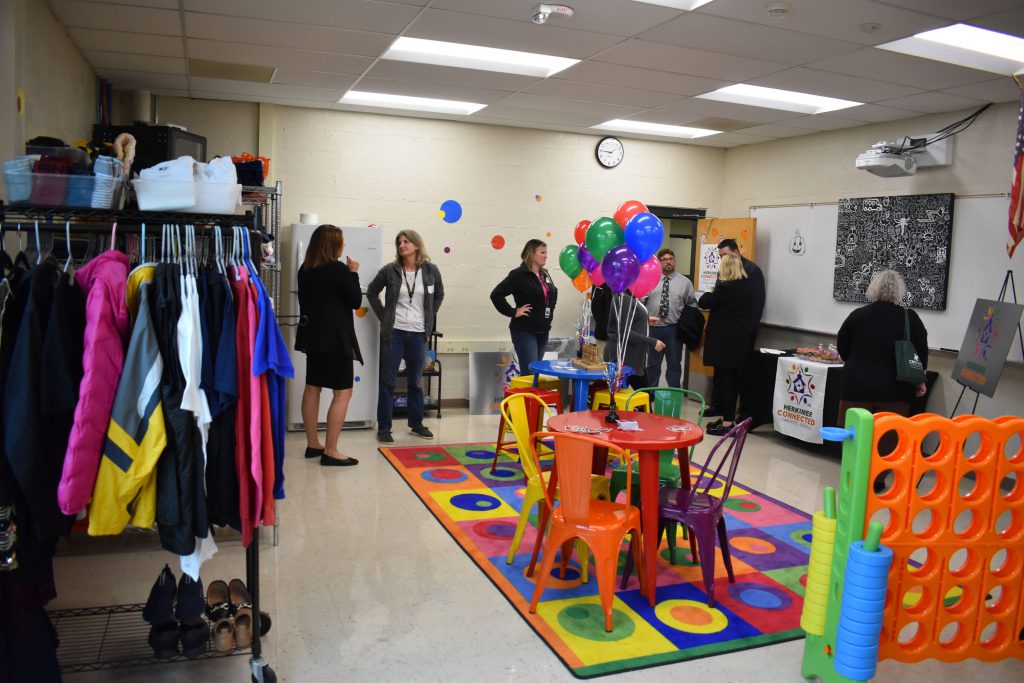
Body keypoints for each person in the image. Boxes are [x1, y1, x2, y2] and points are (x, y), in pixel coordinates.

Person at [367, 230, 445, 444]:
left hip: (419, 333)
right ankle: (384, 427)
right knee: (388, 381)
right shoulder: (390, 271)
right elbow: (372, 292)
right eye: (399, 242)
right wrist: (384, 317)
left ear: (417, 245)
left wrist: (429, 315)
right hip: (395, 333)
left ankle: (417, 424)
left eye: (406, 241)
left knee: (416, 381)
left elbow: (439, 295)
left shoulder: (431, 270)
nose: (402, 245)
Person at [295, 225, 363, 467]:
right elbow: (356, 300)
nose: (344, 245)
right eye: (341, 242)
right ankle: (331, 450)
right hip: (336, 340)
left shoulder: (305, 269)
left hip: (312, 337)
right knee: (343, 392)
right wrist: (353, 272)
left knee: (313, 387)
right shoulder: (338, 269)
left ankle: (313, 444)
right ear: (334, 245)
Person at [837, 270, 928, 418]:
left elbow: (843, 348)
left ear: (874, 289)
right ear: (899, 292)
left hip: (855, 388)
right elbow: (921, 355)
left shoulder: (857, 315)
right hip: (894, 391)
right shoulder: (909, 318)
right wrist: (919, 381)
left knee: (854, 438)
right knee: (888, 438)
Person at [705, 238, 766, 418]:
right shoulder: (724, 270)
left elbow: (757, 303)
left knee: (736, 374)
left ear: (735, 252)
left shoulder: (752, 270)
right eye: (720, 255)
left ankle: (734, 412)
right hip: (722, 330)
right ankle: (717, 405)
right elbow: (719, 297)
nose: (721, 258)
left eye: (724, 255)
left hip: (741, 332)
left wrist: (748, 328)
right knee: (720, 372)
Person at [698, 254, 756, 436]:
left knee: (725, 383)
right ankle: (727, 418)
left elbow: (704, 301)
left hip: (723, 344)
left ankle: (728, 422)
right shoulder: (748, 287)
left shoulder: (724, 288)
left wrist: (711, 291)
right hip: (740, 343)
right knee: (731, 381)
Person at [490, 239, 558, 377]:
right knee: (529, 373)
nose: (546, 256)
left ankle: (532, 398)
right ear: (532, 254)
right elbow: (496, 295)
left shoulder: (545, 274)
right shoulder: (518, 275)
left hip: (543, 331)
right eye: (542, 252)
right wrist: (513, 312)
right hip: (524, 330)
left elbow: (551, 297)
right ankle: (526, 398)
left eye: (546, 253)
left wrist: (547, 315)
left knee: (536, 373)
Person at [641, 248, 696, 387]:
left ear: (675, 261)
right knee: (653, 365)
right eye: (664, 259)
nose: (668, 262)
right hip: (653, 329)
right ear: (659, 263)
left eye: (671, 259)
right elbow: (640, 303)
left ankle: (674, 394)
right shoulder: (650, 280)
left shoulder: (685, 283)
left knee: (674, 364)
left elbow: (692, 305)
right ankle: (651, 394)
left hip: (674, 330)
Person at [603, 292, 665, 391]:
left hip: (632, 356)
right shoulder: (624, 298)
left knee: (639, 396)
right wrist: (652, 342)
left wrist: (645, 320)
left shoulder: (628, 296)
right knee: (642, 397)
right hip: (624, 357)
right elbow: (623, 331)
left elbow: (628, 320)